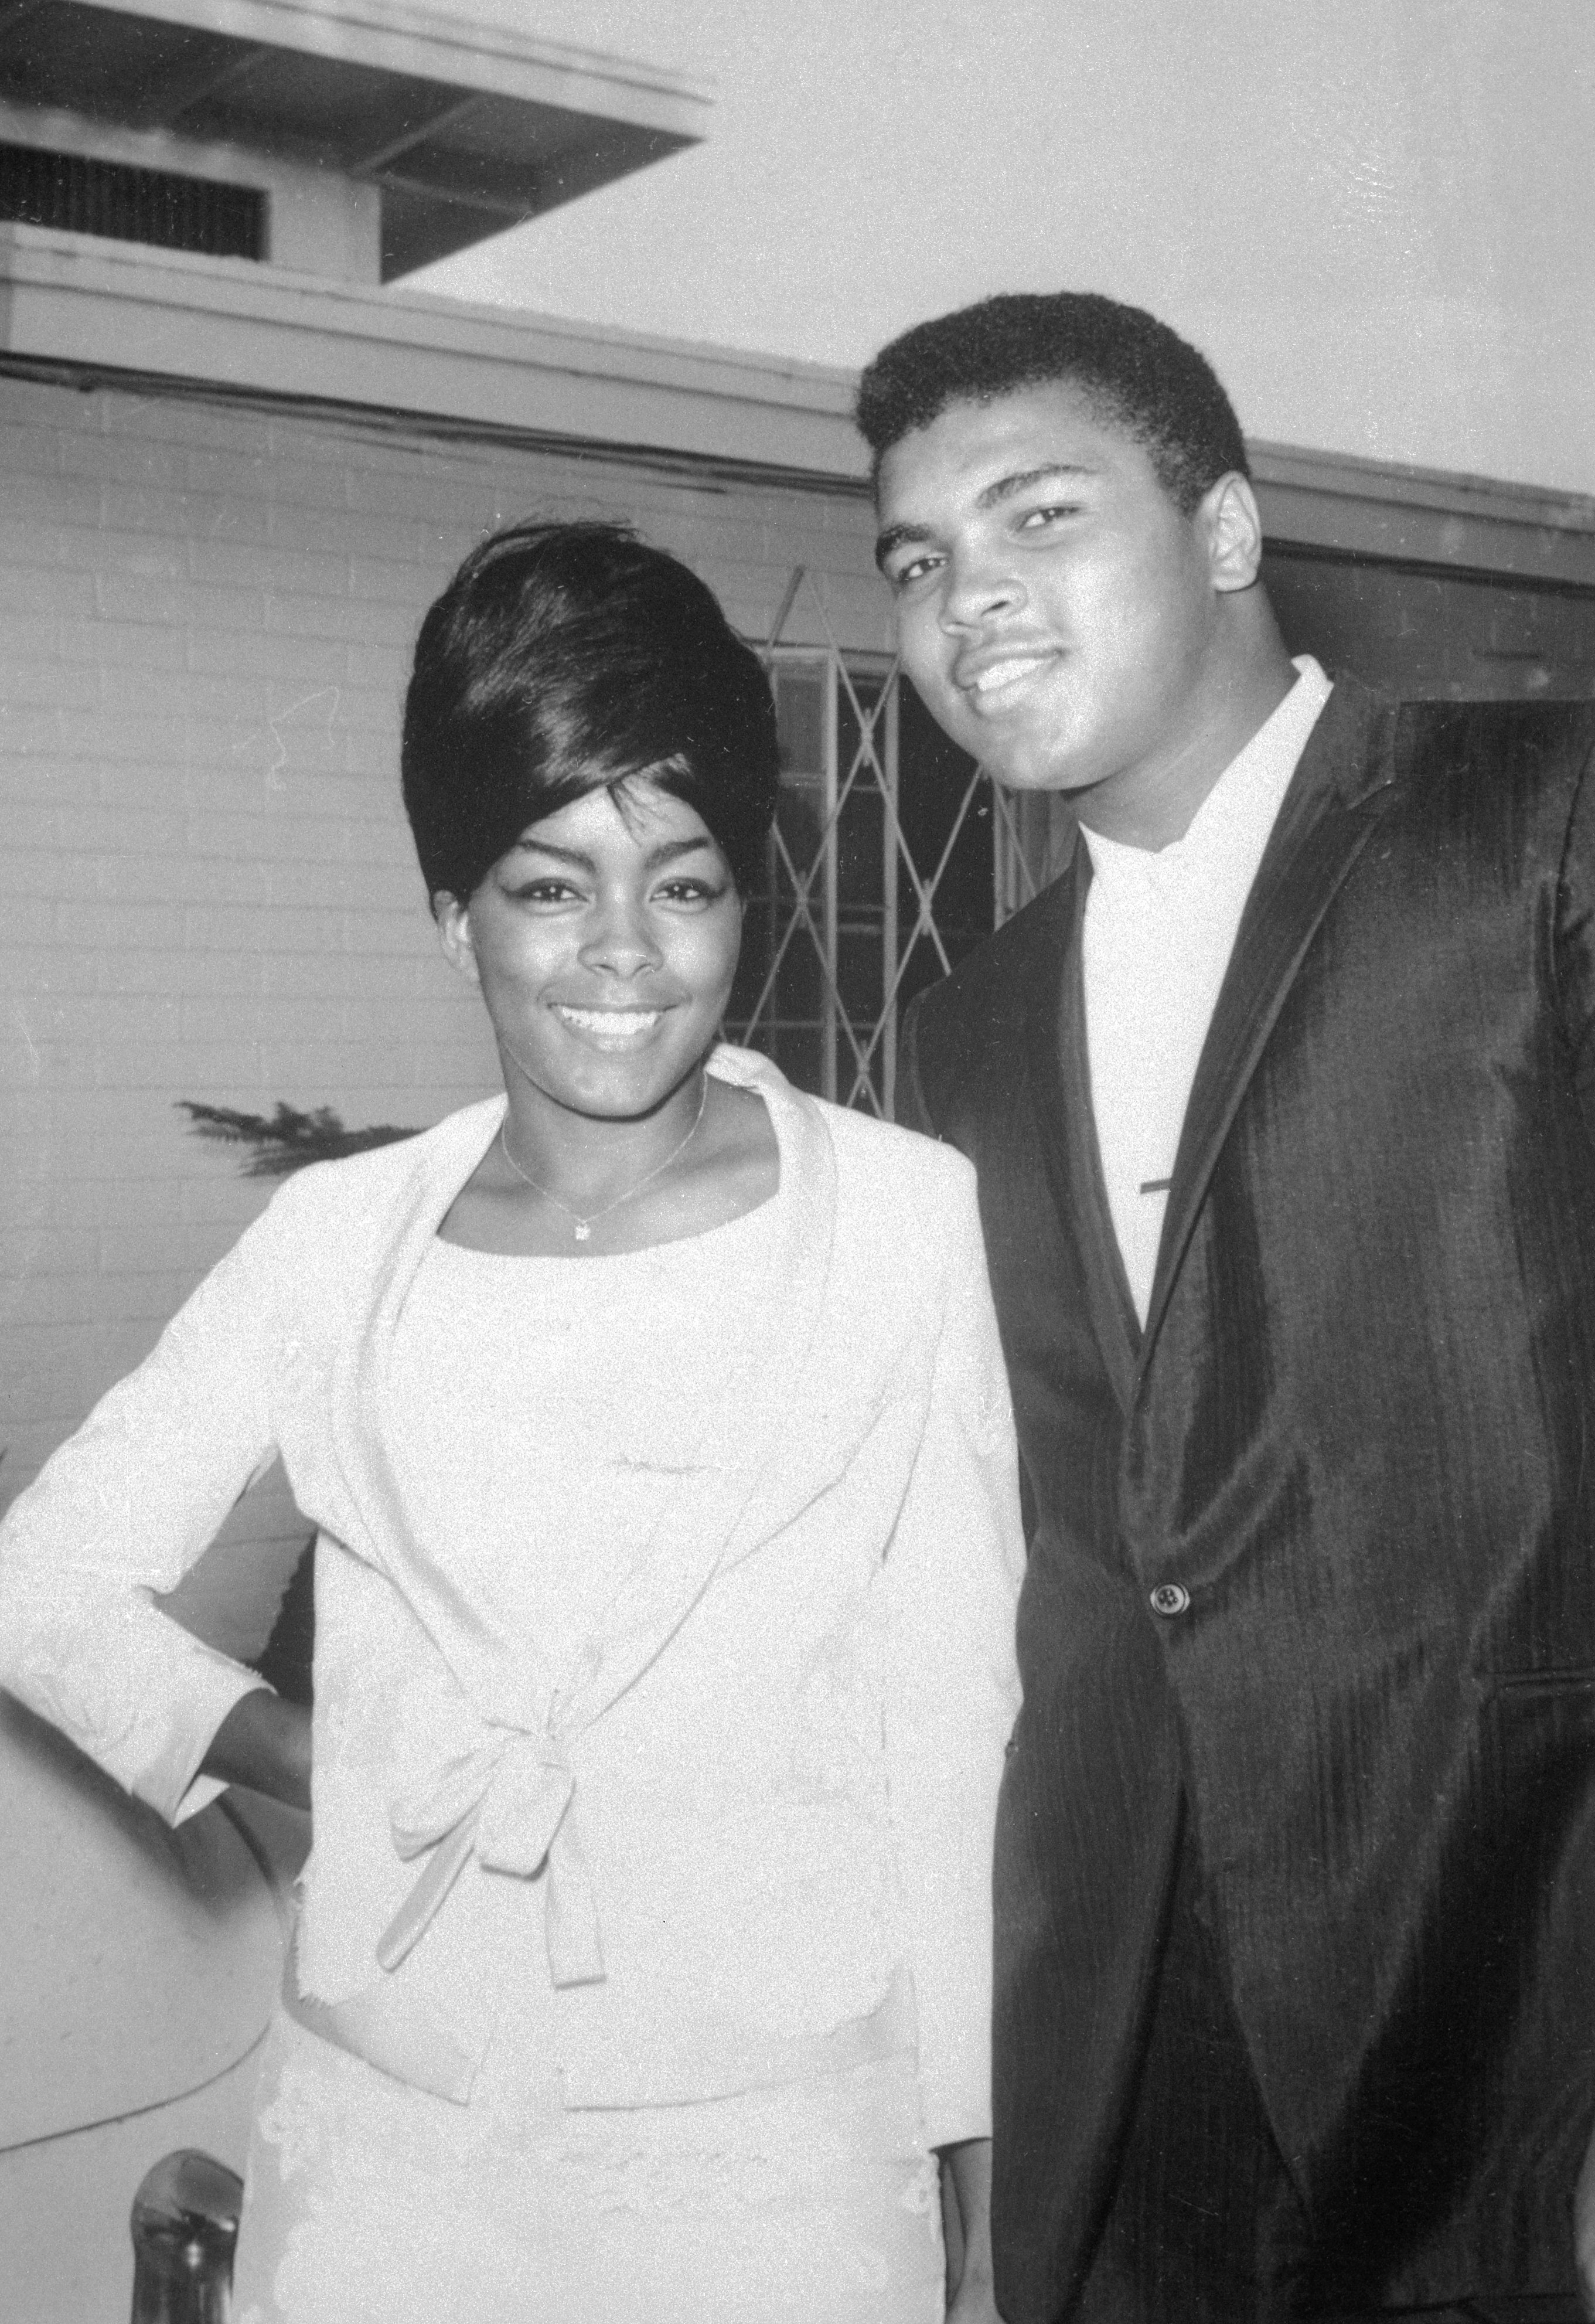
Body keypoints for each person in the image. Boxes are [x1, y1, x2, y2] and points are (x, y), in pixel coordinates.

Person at [0, 520, 1024, 2324]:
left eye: (684, 883)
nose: (622, 954)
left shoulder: (900, 1221)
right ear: (448, 908)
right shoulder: (337, 1243)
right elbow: (44, 1584)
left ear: (747, 897)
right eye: (549, 887)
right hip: (390, 2153)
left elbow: (959, 1736)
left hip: (772, 2162)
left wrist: (980, 2185)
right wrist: (325, 1768)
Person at [856, 290, 1595, 2322]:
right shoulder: (965, 1028)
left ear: (1228, 532)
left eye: (1035, 518)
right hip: (1135, 2065)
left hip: (1509, 2017)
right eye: (917, 563)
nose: (965, 602)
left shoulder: (1535, 823)